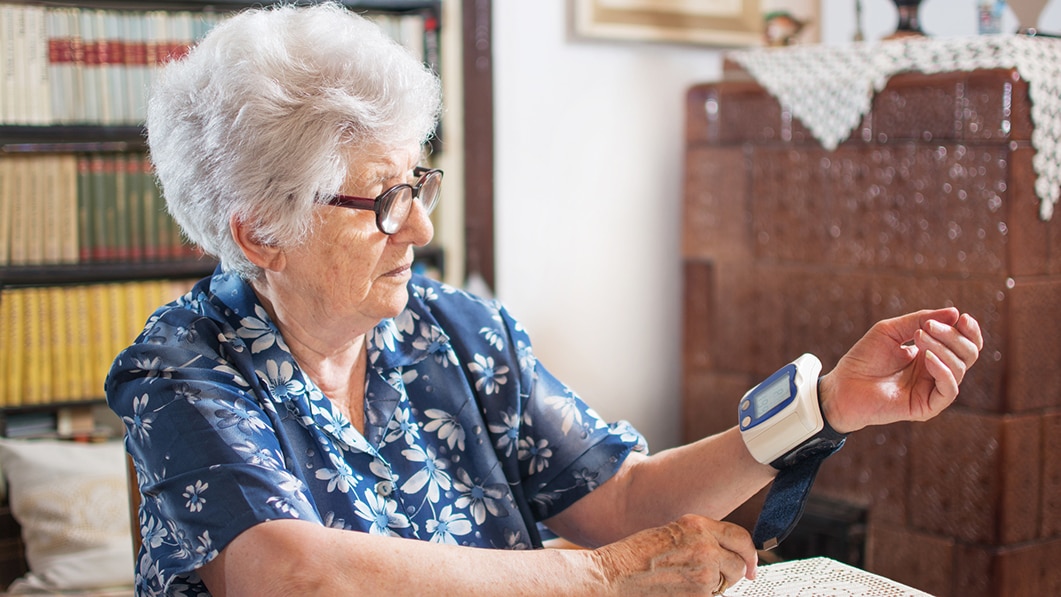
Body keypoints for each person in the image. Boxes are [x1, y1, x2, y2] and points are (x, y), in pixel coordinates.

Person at [105, 3, 984, 596]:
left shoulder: (456, 332)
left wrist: (823, 405)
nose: (415, 230)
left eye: (417, 183)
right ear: (261, 231)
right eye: (381, 201)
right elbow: (290, 572)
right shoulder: (181, 365)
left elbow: (624, 496)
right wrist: (600, 577)